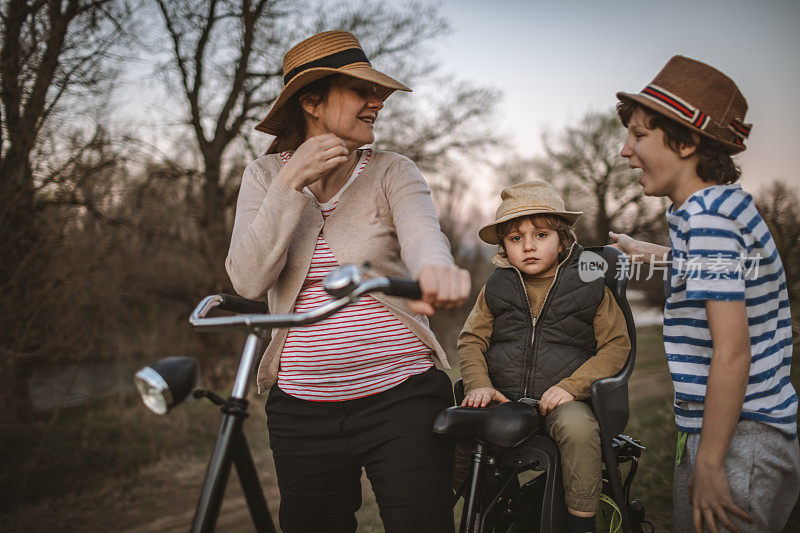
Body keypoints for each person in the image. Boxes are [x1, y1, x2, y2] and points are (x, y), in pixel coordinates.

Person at [226, 30, 470, 533]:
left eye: (377, 92)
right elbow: (248, 280)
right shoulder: (261, 176)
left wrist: (435, 273)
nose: (377, 103)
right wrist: (290, 183)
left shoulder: (392, 171)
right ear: (311, 100)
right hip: (300, 410)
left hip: (401, 395)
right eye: (362, 91)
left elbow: (424, 236)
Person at [611, 55, 800, 533]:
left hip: (738, 438)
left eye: (638, 136)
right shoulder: (717, 212)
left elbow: (733, 351)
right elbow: (718, 271)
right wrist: (647, 251)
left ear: (687, 141)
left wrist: (712, 464)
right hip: (735, 431)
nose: (624, 150)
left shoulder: (709, 221)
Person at [456, 180, 631, 533]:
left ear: (562, 237)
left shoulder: (589, 281)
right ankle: (436, 513)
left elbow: (616, 346)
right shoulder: (498, 284)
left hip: (564, 398)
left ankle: (580, 523)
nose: (528, 246)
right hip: (502, 395)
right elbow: (471, 339)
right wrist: (479, 385)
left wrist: (572, 386)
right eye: (516, 238)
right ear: (505, 246)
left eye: (540, 235)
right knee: (456, 430)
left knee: (578, 430)